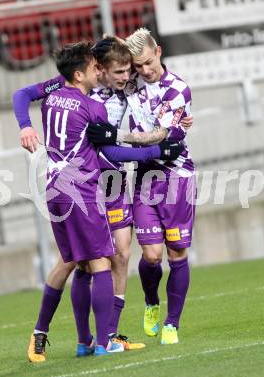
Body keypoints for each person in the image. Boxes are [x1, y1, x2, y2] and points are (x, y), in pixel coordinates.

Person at [13, 39, 185, 361]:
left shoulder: (65, 93)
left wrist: (172, 125)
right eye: (117, 70)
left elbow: (157, 100)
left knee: (117, 254)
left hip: (101, 181)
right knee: (87, 262)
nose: (125, 76)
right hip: (87, 184)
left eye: (128, 70)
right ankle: (94, 340)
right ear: (96, 70)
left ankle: (102, 334)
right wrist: (156, 150)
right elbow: (107, 148)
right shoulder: (87, 100)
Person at [88, 28, 196, 345]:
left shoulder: (177, 90)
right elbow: (113, 59)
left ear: (159, 52)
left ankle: (172, 324)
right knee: (150, 256)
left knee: (177, 253)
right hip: (147, 176)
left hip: (177, 177)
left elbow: (158, 137)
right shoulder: (132, 80)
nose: (144, 70)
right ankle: (151, 302)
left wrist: (116, 137)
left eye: (148, 63)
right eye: (138, 65)